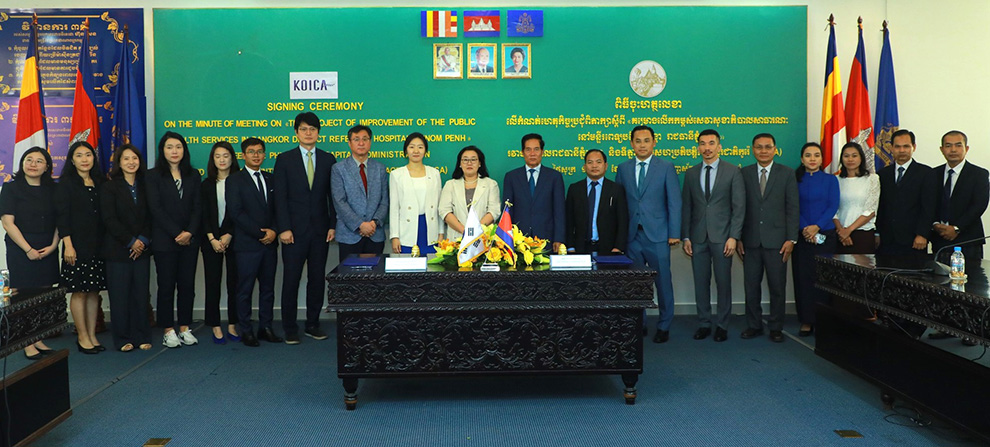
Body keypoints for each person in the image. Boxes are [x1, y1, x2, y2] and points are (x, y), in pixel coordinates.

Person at [273, 112, 336, 345]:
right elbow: (280, 198)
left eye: (313, 129)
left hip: (321, 231)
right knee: (291, 279)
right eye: (303, 129)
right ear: (296, 132)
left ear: (319, 132)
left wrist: (332, 225)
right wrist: (284, 228)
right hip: (293, 233)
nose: (308, 133)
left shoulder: (328, 159)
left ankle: (312, 324)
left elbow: (333, 197)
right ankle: (290, 327)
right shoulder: (285, 159)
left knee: (317, 279)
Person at [614, 125, 681, 343]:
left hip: (658, 235)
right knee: (635, 284)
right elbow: (619, 205)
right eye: (638, 141)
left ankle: (664, 325)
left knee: (663, 282)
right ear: (631, 144)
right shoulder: (623, 168)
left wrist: (674, 232)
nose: (642, 145)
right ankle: (639, 323)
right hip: (632, 236)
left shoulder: (666, 167)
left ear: (654, 142)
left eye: (646, 140)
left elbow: (674, 202)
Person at [680, 130, 745, 343]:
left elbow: (739, 207)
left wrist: (734, 236)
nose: (707, 148)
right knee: (701, 282)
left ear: (719, 146)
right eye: (702, 143)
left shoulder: (732, 171)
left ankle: (722, 325)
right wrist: (686, 237)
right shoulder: (691, 173)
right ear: (698, 147)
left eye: (711, 143)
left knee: (723, 283)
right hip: (697, 238)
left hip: (723, 237)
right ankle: (704, 323)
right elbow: (687, 207)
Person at [737, 133, 798, 343]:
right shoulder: (743, 173)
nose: (763, 151)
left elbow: (792, 208)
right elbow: (739, 208)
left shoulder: (787, 174)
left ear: (775, 149)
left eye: (767, 147)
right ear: (752, 149)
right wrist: (738, 238)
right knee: (751, 286)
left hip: (778, 242)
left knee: (777, 287)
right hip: (750, 241)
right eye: (759, 147)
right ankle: (753, 325)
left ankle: (776, 327)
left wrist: (791, 238)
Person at [0, 147, 59, 359]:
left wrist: (53, 246)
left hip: (47, 247)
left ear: (47, 167)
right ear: (22, 163)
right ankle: (26, 342)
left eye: (39, 161)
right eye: (29, 160)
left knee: (43, 295)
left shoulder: (53, 189)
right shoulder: (11, 188)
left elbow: (60, 220)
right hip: (21, 248)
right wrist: (28, 249)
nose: (33, 164)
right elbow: (8, 223)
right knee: (23, 294)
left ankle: (38, 337)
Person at [146, 131, 202, 348]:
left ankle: (185, 327)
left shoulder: (193, 174)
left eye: (178, 147)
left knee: (187, 285)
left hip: (190, 240)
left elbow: (198, 207)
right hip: (164, 240)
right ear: (163, 150)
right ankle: (168, 329)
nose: (174, 151)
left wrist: (189, 232)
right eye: (169, 147)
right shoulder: (152, 176)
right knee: (167, 286)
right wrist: (176, 233)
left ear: (184, 150)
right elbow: (155, 208)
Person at [100, 144, 153, 352]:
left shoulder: (146, 184)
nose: (131, 162)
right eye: (126, 159)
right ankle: (122, 338)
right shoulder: (109, 187)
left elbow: (152, 215)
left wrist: (142, 240)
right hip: (118, 250)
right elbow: (109, 219)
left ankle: (142, 335)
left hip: (142, 249)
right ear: (119, 163)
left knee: (140, 295)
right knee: (120, 296)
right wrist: (131, 241)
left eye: (135, 159)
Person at [56, 141, 108, 354]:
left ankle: (92, 334)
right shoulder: (67, 183)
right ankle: (82, 336)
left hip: (98, 245)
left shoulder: (100, 181)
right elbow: (63, 217)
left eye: (88, 154)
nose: (85, 159)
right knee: (79, 292)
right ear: (72, 159)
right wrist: (68, 245)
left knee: (93, 291)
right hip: (75, 246)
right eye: (79, 155)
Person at [228, 138, 279, 347]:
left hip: (270, 244)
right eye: (251, 152)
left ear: (265, 155)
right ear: (243, 155)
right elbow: (236, 213)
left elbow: (279, 208)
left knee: (268, 289)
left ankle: (266, 327)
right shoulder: (234, 180)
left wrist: (274, 231)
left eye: (260, 152)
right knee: (245, 289)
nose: (256, 155)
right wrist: (260, 233)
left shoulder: (271, 178)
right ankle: (246, 330)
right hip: (247, 245)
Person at [792, 142, 839, 337]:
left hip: (825, 235)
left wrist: (817, 226)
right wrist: (806, 228)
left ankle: (824, 318)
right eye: (808, 155)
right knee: (803, 278)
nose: (812, 159)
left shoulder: (830, 180)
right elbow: (793, 206)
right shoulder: (794, 180)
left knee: (824, 278)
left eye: (817, 155)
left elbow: (833, 205)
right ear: (802, 159)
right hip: (802, 237)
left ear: (821, 159)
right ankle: (806, 319)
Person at [925, 130, 989, 264]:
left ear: (966, 148)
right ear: (942, 149)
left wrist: (956, 228)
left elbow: (979, 205)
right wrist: (935, 224)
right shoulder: (933, 173)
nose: (953, 150)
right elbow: (928, 203)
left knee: (970, 282)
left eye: (958, 145)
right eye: (948, 146)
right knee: (939, 282)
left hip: (968, 240)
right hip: (939, 239)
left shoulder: (979, 174)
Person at [200, 141, 241, 344]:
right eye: (218, 156)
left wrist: (228, 235)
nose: (222, 159)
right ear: (212, 159)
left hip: (234, 238)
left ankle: (233, 323)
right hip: (211, 241)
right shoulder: (206, 184)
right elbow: (204, 215)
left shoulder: (239, 181)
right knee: (212, 282)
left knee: (234, 283)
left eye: (226, 155)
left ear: (232, 158)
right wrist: (212, 238)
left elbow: (239, 212)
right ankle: (215, 325)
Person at [332, 124, 389, 261]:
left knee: (374, 278)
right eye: (356, 139)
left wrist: (373, 223)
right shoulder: (339, 169)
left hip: (375, 234)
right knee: (349, 279)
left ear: (370, 142)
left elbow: (384, 201)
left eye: (365, 139)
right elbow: (339, 202)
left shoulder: (380, 168)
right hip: (349, 235)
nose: (361, 143)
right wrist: (360, 225)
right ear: (349, 143)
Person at [502, 133, 565, 250]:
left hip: (546, 239)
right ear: (522, 152)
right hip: (518, 239)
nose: (532, 154)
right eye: (528, 149)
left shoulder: (554, 177)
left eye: (536, 149)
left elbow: (559, 211)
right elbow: (507, 211)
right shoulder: (511, 177)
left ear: (542, 152)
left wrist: (559, 238)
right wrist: (507, 238)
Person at [876, 129, 932, 258]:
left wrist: (922, 234)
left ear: (914, 147)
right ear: (891, 148)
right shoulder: (882, 174)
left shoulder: (926, 173)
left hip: (914, 240)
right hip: (886, 240)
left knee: (912, 277)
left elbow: (929, 207)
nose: (902, 150)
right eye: (897, 147)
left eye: (906, 146)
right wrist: (877, 233)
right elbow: (880, 206)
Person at [564, 149, 627, 254]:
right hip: (580, 248)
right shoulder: (575, 189)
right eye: (590, 162)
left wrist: (618, 247)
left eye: (598, 162)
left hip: (609, 248)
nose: (594, 166)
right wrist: (570, 246)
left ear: (606, 166)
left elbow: (623, 221)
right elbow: (569, 221)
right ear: (584, 167)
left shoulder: (616, 189)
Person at [389, 132, 442, 254]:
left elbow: (439, 206)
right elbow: (394, 208)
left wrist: (441, 232)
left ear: (425, 151)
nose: (416, 151)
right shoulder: (397, 175)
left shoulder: (434, 174)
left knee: (431, 268)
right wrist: (395, 236)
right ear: (406, 150)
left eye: (420, 147)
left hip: (429, 227)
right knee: (408, 269)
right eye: (412, 147)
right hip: (407, 230)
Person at [439, 146, 501, 241]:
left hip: (482, 237)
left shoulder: (491, 184)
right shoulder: (450, 184)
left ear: (480, 163)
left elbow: (494, 211)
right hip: (456, 237)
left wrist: (476, 231)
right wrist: (465, 231)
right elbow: (444, 211)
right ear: (460, 163)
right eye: (465, 160)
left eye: (473, 160)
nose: (469, 163)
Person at [833, 142, 880, 254]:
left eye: (854, 155)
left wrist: (849, 230)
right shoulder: (835, 180)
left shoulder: (872, 179)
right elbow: (832, 209)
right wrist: (841, 231)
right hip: (840, 234)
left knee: (862, 270)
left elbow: (871, 210)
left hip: (863, 234)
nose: (850, 159)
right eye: (846, 156)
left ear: (861, 158)